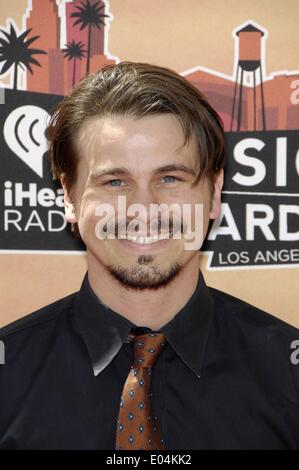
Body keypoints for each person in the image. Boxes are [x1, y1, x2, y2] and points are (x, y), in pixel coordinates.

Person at [0, 62, 298, 450]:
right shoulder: (8, 376)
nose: (143, 208)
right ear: (69, 198)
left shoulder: (288, 374)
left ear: (214, 191)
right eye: (115, 181)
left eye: (170, 178)